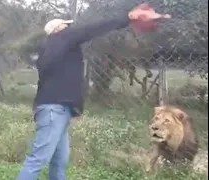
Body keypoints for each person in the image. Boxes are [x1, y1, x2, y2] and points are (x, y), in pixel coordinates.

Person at [16, 3, 171, 180]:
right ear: (58, 29)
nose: (70, 28)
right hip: (54, 111)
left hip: (55, 110)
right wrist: (127, 17)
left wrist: (73, 107)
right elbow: (93, 29)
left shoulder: (49, 51)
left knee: (59, 161)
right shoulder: (63, 38)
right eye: (67, 25)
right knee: (37, 159)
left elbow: (56, 81)